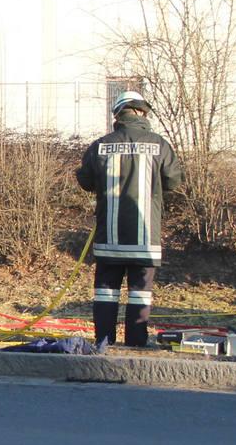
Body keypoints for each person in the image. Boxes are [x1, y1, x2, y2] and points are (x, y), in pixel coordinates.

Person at [77, 90, 185, 347]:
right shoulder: (158, 144)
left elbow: (85, 181)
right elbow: (173, 181)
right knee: (140, 293)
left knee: (105, 292)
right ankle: (136, 342)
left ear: (118, 114)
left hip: (109, 239)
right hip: (144, 238)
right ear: (140, 112)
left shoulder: (101, 145)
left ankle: (104, 342)